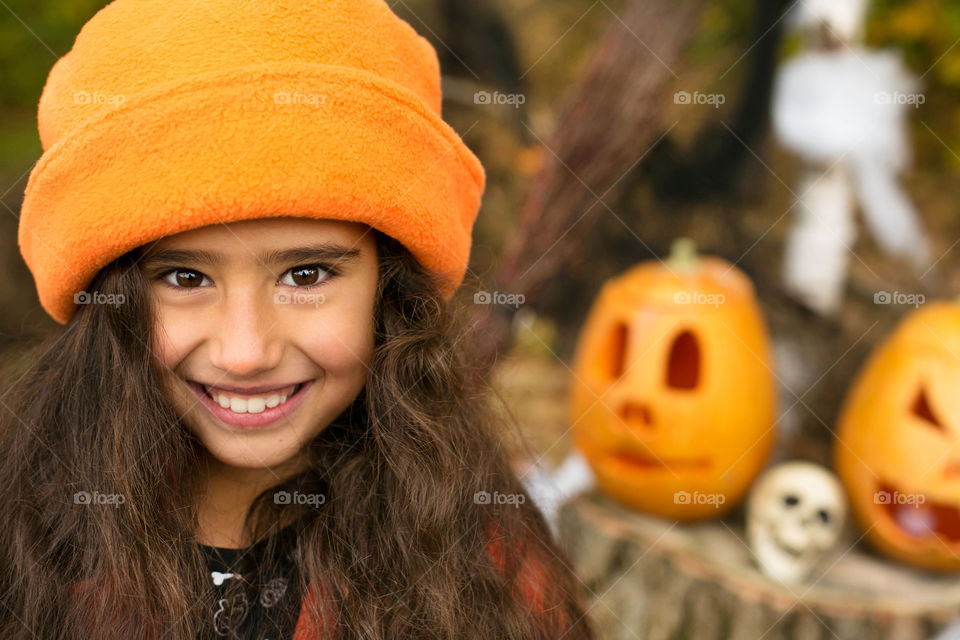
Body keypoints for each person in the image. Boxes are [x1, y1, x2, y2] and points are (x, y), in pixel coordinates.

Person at [0, 1, 596, 638]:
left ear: (389, 291)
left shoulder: (482, 560)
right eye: (185, 278)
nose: (245, 353)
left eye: (305, 276)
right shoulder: (24, 536)